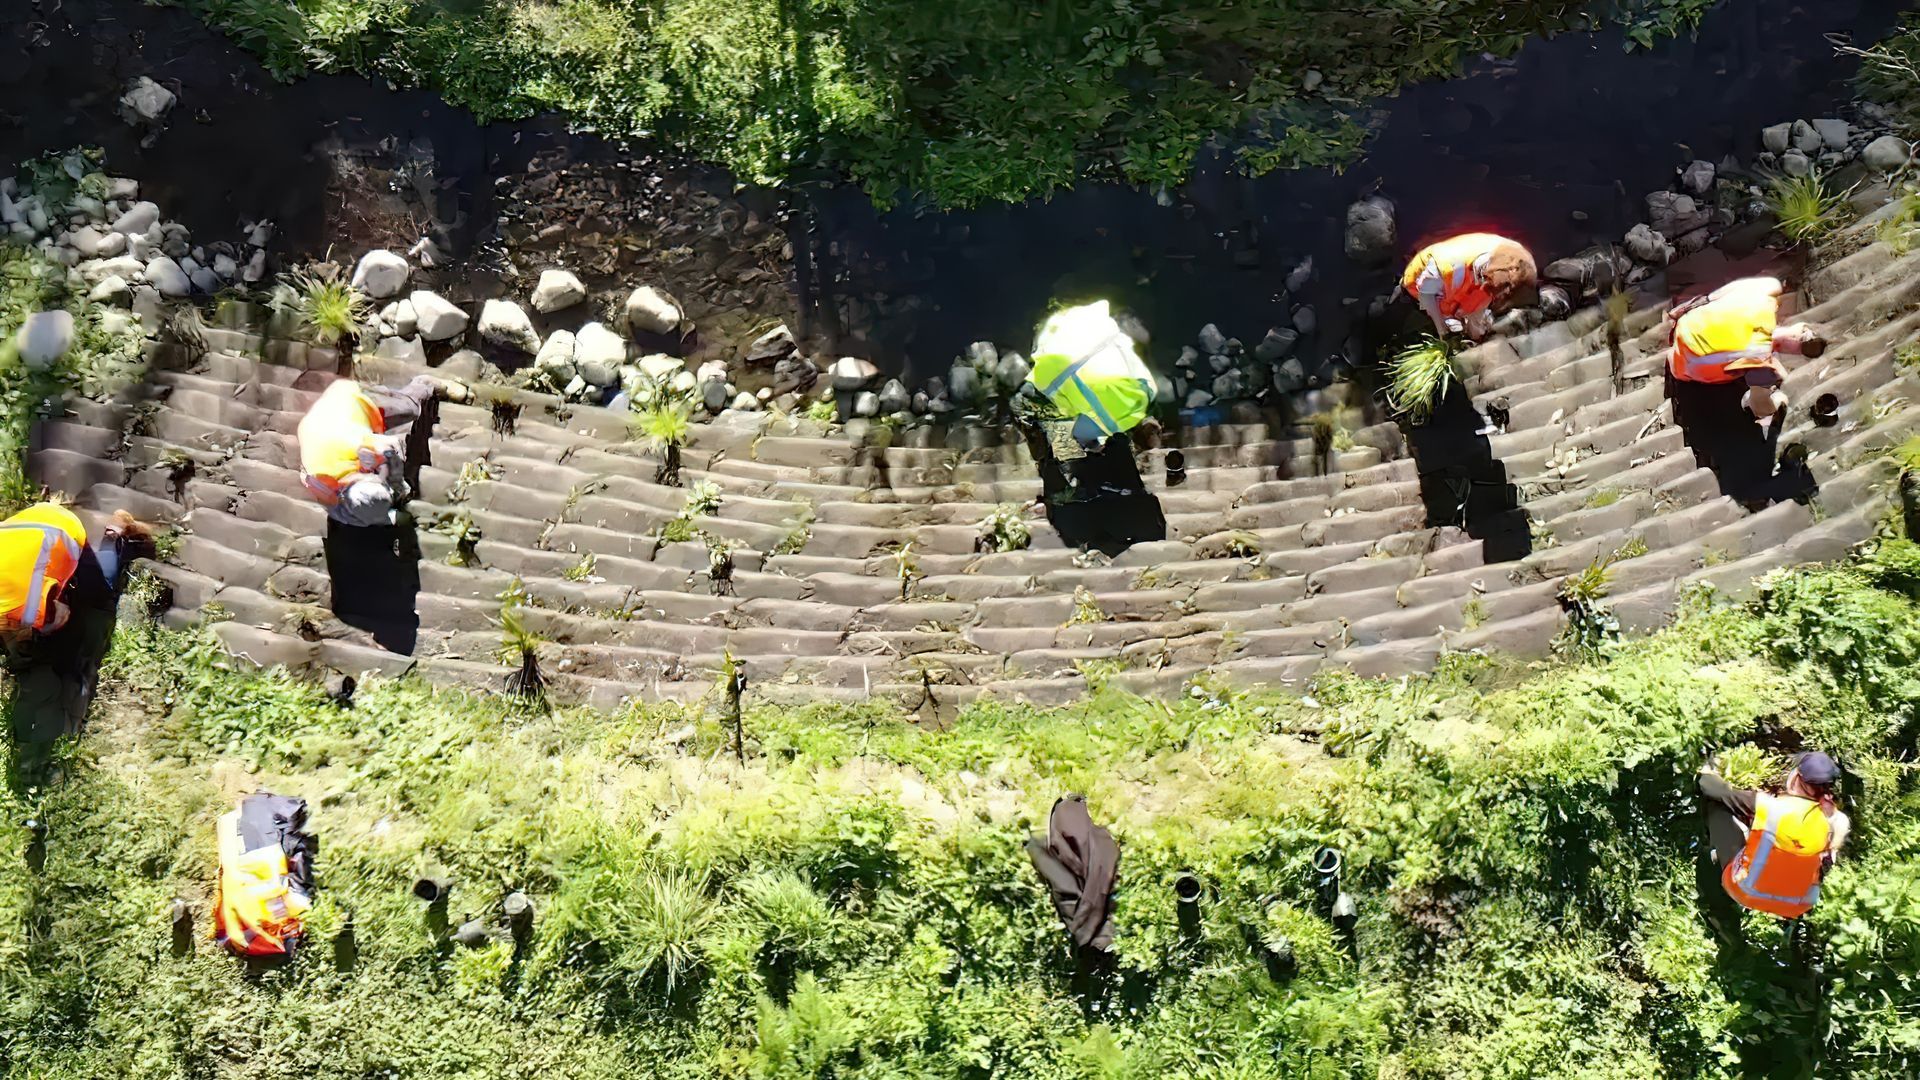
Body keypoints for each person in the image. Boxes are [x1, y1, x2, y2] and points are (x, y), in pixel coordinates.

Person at [3, 502, 154, 781]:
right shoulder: (18, 610)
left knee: (96, 599)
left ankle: (115, 532)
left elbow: (61, 615)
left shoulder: (32, 611)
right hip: (21, 529)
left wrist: (36, 633)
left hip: (62, 529)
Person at [297, 375, 464, 528]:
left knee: (411, 409)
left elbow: (392, 446)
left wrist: (397, 484)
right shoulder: (321, 483)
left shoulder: (356, 442)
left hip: (353, 400)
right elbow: (340, 507)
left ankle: (426, 384)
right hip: (322, 423)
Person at [1699, 750, 1849, 920]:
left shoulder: (1770, 806)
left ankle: (1714, 898)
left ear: (1796, 778)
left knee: (1717, 805)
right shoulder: (1838, 821)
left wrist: (1708, 771)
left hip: (1746, 891)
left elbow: (1711, 788)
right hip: (1798, 905)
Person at [1668, 276, 1825, 426]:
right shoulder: (1760, 358)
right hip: (1684, 358)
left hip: (1688, 325)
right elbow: (1761, 404)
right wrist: (1782, 394)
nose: (1796, 347)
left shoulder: (1765, 300)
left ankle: (1691, 307)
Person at [1401, 232, 1537, 340]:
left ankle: (1472, 330)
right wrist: (1442, 329)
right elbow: (1426, 295)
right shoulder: (1446, 266)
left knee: (1478, 310)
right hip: (1423, 286)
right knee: (1445, 319)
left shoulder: (1509, 253)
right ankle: (1449, 319)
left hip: (1467, 279)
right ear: (1485, 277)